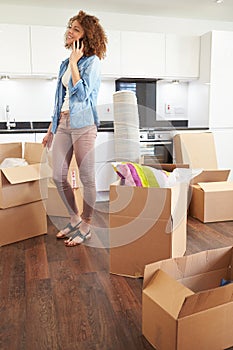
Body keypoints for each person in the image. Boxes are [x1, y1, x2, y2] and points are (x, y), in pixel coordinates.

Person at [42, 10, 107, 247]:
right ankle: (74, 218)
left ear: (86, 36)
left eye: (76, 28)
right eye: (70, 26)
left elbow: (83, 94)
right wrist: (52, 127)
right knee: (58, 176)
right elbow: (60, 100)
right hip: (63, 123)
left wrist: (74, 61)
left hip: (84, 124)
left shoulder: (92, 62)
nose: (70, 30)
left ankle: (87, 225)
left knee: (87, 177)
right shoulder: (63, 64)